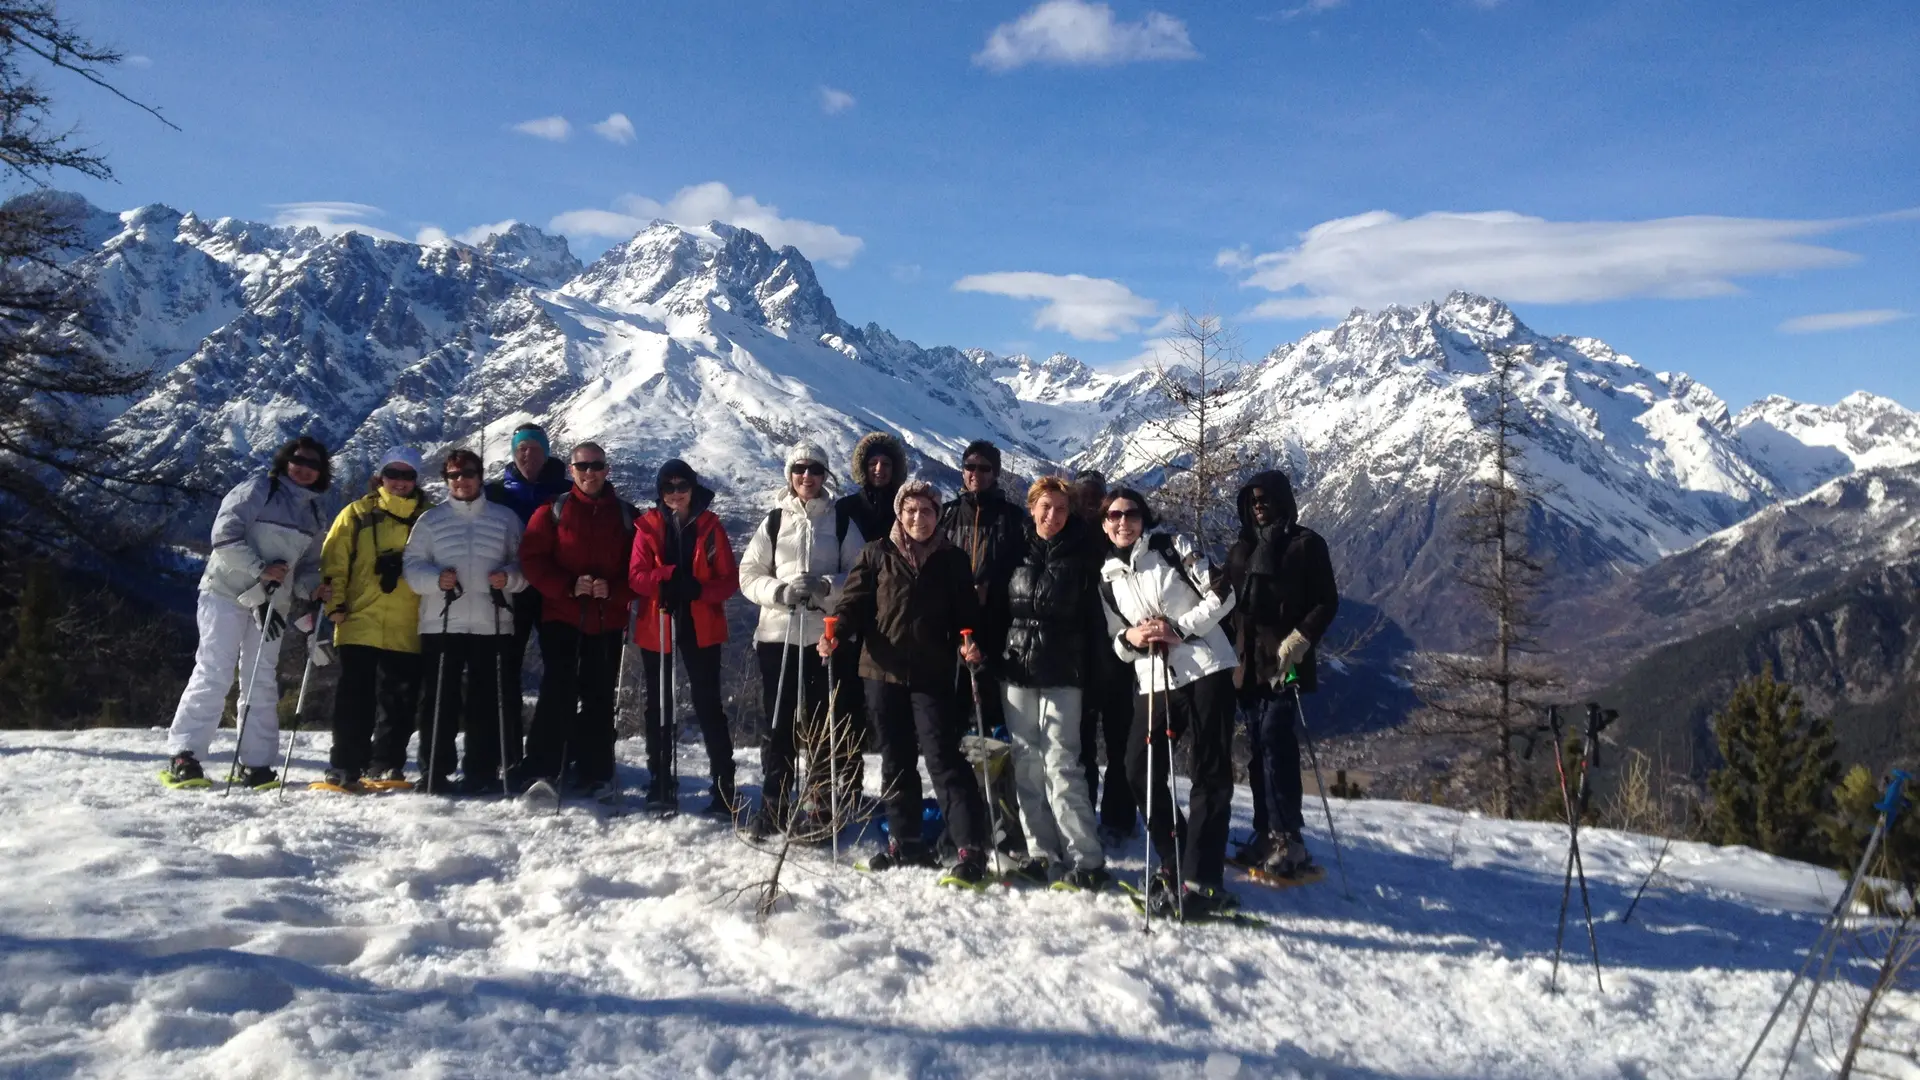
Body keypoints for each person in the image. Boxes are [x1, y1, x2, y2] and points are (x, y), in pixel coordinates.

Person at [822, 480, 993, 887]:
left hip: (932, 673)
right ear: (900, 513)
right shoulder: (876, 553)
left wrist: (972, 644)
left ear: (938, 515)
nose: (920, 518)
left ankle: (970, 847)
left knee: (942, 757)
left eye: (928, 511)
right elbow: (854, 604)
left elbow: (967, 613)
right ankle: (906, 840)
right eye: (912, 510)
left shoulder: (951, 559)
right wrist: (837, 632)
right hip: (881, 672)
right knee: (895, 759)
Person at [1098, 487, 1241, 918]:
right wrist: (1133, 638)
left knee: (1209, 772)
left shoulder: (1171, 548)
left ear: (1144, 518)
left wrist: (1179, 628)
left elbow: (1224, 594)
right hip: (1154, 679)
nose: (1123, 522)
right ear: (1104, 523)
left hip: (1206, 668)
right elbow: (1117, 643)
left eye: (1132, 514)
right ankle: (1174, 854)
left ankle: (1203, 879)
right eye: (1114, 515)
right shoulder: (1106, 579)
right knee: (1137, 769)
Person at [163, 437, 332, 788]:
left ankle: (255, 762)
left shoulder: (314, 514)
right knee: (215, 670)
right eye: (298, 460)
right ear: (285, 461)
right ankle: (185, 754)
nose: (304, 469)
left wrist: (313, 588)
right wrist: (260, 568)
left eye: (313, 465)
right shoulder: (259, 488)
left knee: (261, 679)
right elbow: (223, 535)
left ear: (321, 472)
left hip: (273, 605)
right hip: (226, 593)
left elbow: (307, 568)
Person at [738, 441, 866, 839]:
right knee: (778, 724)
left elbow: (861, 577)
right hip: (778, 634)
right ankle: (774, 803)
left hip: (823, 636)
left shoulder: (842, 523)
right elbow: (748, 574)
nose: (806, 477)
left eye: (814, 470)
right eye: (799, 470)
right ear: (789, 476)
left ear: (825, 475)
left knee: (821, 722)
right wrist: (779, 592)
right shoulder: (774, 522)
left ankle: (818, 805)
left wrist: (827, 586)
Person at [1224, 469, 1340, 877]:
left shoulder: (1306, 545)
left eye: (1265, 499)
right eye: (1252, 501)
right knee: (1258, 747)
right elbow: (1226, 601)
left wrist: (1302, 638)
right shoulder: (1241, 549)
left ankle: (1288, 837)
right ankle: (1264, 830)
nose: (1259, 506)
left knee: (1277, 742)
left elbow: (1327, 600)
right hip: (1246, 663)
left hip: (1285, 660)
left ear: (1283, 500)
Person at [999, 476, 1110, 890]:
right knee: (1026, 763)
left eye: (1061, 509)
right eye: (1045, 507)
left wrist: (1098, 674)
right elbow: (997, 605)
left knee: (1062, 764)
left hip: (1065, 672)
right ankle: (1041, 852)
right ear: (1031, 508)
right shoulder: (1014, 550)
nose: (1053, 515)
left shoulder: (1084, 554)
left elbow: (1097, 620)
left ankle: (1086, 858)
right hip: (1017, 670)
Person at [516, 441, 638, 800]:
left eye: (596, 466)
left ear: (607, 469)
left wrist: (612, 589)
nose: (590, 473)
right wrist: (568, 586)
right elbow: (532, 559)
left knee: (599, 696)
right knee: (558, 692)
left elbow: (639, 570)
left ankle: (595, 770)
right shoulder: (552, 511)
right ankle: (543, 768)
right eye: (582, 467)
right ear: (571, 470)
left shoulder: (627, 516)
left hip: (607, 619)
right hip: (562, 616)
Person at [401, 449, 527, 794]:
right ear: (446, 480)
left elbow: (524, 566)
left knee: (484, 700)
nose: (461, 480)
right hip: (442, 621)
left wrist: (508, 578)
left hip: (492, 621)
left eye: (468, 473)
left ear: (480, 475)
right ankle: (434, 770)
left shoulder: (505, 519)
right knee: (439, 698)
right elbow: (412, 567)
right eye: (454, 475)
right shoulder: (430, 521)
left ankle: (481, 770)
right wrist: (435, 579)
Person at [627, 458, 740, 815]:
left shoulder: (710, 528)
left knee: (708, 704)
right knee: (658, 703)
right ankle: (660, 779)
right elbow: (636, 577)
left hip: (699, 622)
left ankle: (724, 786)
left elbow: (728, 581)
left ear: (693, 488)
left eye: (682, 486)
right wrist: (666, 576)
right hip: (657, 619)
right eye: (669, 488)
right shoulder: (646, 526)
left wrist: (695, 590)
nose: (676, 494)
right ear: (660, 492)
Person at [319, 447, 434, 789]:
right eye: (393, 474)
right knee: (355, 698)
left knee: (398, 700)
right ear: (381, 477)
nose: (399, 482)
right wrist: (335, 605)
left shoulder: (430, 518)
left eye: (407, 475)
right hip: (358, 619)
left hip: (408, 622)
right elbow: (334, 562)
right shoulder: (356, 514)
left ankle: (387, 763)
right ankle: (345, 764)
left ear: (416, 479)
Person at [937, 439, 1028, 851]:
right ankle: (960, 815)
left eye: (985, 467)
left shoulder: (1012, 519)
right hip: (952, 634)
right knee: (954, 725)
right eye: (969, 466)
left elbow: (1027, 572)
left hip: (997, 632)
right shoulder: (947, 515)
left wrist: (996, 589)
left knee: (995, 726)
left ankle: (1001, 814)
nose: (976, 473)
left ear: (996, 473)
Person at [828, 432, 907, 816]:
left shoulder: (904, 509)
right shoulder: (845, 509)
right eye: (873, 463)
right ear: (863, 466)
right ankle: (849, 783)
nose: (879, 470)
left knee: (887, 709)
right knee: (846, 704)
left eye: (886, 464)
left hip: (894, 619)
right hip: (854, 612)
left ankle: (894, 791)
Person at [1070, 468, 1137, 840]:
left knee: (1117, 744)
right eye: (1085, 498)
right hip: (1086, 659)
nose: (1091, 504)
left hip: (1116, 658)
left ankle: (1116, 818)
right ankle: (1095, 817)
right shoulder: (1077, 543)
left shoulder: (1120, 544)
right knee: (1085, 747)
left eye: (1097, 498)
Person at [484, 423, 571, 698]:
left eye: (534, 449)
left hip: (553, 590)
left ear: (546, 454)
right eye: (521, 449)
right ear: (512, 453)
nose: (527, 455)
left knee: (560, 667)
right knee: (504, 668)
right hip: (508, 589)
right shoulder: (495, 494)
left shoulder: (567, 493)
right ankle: (506, 736)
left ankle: (550, 738)